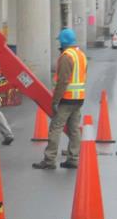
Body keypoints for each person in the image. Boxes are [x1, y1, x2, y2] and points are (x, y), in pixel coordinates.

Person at [32, 28, 87, 169]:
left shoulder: (66, 57)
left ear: (63, 42)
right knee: (74, 129)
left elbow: (63, 81)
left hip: (67, 99)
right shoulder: (81, 55)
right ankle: (73, 158)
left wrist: (55, 100)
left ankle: (49, 160)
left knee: (55, 128)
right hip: (79, 99)